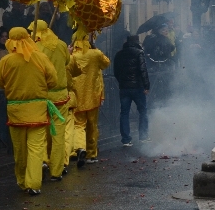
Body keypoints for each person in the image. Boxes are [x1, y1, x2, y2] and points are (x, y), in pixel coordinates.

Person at [0, 27, 58, 195]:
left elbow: (0, 82)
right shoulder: (41, 58)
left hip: (15, 110)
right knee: (36, 148)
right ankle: (34, 183)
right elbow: (53, 79)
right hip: (37, 109)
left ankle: (22, 180)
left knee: (19, 148)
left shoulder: (6, 61)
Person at [29, 20, 72, 181]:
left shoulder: (33, 47)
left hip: (42, 96)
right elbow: (67, 61)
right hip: (60, 96)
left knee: (41, 133)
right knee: (58, 134)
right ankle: (56, 170)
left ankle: (42, 161)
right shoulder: (61, 45)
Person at [68, 37, 110, 166]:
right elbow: (106, 63)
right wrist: (95, 48)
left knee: (78, 125)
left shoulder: (72, 55)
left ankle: (79, 148)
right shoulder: (96, 54)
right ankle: (91, 154)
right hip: (93, 96)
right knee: (92, 125)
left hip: (76, 96)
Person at [114, 34, 151, 145]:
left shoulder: (119, 54)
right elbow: (143, 70)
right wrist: (146, 86)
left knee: (124, 113)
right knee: (143, 111)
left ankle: (126, 139)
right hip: (138, 87)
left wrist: (121, 81)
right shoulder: (139, 53)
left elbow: (116, 71)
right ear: (137, 42)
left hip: (124, 88)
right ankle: (143, 136)